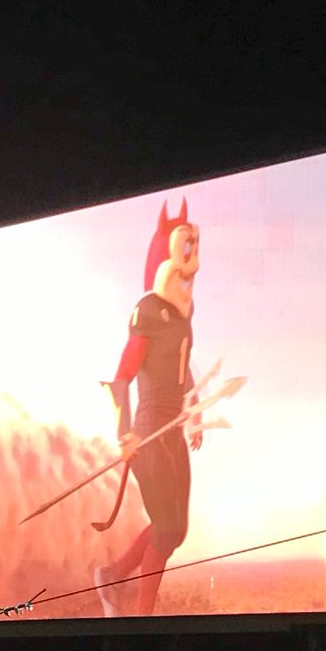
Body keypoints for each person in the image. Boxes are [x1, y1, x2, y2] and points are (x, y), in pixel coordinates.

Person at [95, 199, 203, 617]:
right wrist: (125, 434)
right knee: (168, 527)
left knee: (176, 531)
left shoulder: (182, 316)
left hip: (173, 428)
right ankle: (141, 618)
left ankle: (112, 574)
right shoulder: (147, 312)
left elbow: (184, 374)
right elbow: (122, 376)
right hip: (150, 428)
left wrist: (194, 417)